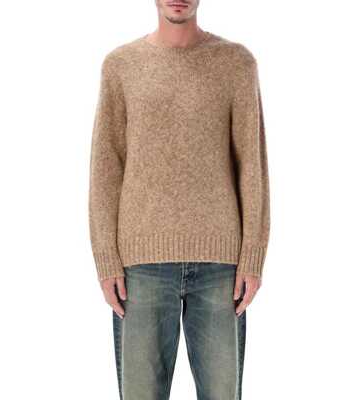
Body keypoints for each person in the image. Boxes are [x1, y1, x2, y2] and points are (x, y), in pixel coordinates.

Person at [88, 1, 270, 398]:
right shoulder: (121, 66)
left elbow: (251, 166)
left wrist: (253, 255)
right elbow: (106, 168)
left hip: (221, 265)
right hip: (140, 265)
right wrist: (106, 259)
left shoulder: (236, 64)